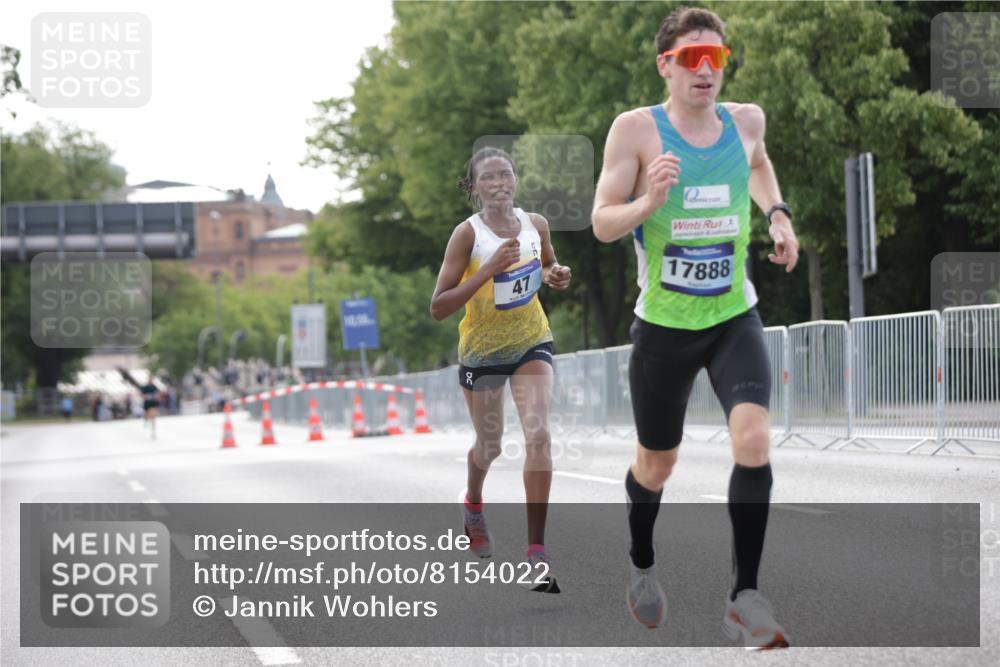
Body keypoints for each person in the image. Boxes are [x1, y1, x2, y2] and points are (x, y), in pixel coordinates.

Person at [592, 6, 799, 648]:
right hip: (664, 329)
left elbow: (760, 164)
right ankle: (642, 564)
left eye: (717, 58)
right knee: (657, 465)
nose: (706, 70)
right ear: (667, 66)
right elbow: (601, 221)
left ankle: (746, 598)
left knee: (755, 439)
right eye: (692, 59)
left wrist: (778, 215)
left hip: (733, 314)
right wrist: (650, 201)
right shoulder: (636, 131)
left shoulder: (747, 121)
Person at [430, 146, 572, 593]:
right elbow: (438, 306)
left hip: (532, 340)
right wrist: (487, 270)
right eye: (488, 177)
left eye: (505, 174)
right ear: (474, 188)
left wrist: (554, 273)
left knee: (539, 433)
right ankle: (473, 502)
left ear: (515, 180)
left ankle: (536, 555)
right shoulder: (466, 235)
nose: (498, 182)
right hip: (482, 352)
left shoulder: (536, 225)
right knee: (489, 445)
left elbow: (546, 261)